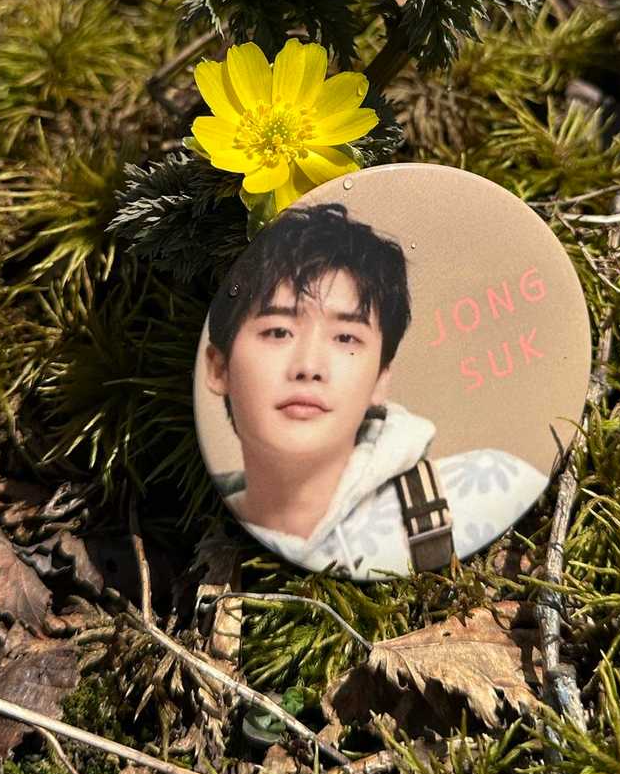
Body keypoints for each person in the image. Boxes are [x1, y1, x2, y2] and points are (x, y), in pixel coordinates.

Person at [202, 202, 549, 580]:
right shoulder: (201, 533)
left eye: (346, 338)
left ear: (382, 379)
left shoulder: (490, 491)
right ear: (219, 368)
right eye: (278, 332)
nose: (309, 366)